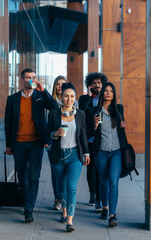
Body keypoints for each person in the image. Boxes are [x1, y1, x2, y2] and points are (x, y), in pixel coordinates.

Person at [5, 68, 57, 222]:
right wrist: (8, 145)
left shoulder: (40, 97)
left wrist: (44, 91)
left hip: (36, 143)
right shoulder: (12, 99)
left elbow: (54, 107)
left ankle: (29, 209)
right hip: (19, 143)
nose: (30, 80)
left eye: (33, 77)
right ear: (22, 79)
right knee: (22, 176)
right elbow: (8, 124)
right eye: (27, 77)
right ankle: (27, 200)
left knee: (34, 176)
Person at [46, 82, 90, 232]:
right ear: (61, 97)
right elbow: (47, 135)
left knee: (71, 187)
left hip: (74, 156)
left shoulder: (80, 114)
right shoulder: (53, 113)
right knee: (62, 188)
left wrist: (86, 153)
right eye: (66, 96)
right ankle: (64, 211)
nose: (69, 99)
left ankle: (70, 220)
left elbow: (83, 135)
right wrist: (55, 134)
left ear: (75, 98)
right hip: (58, 156)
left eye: (72, 96)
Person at [88, 82, 126, 227]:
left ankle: (112, 215)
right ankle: (105, 207)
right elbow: (90, 134)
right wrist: (95, 126)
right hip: (101, 152)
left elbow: (122, 130)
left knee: (113, 182)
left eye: (111, 91)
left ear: (114, 94)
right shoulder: (94, 111)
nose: (108, 93)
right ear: (102, 92)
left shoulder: (119, 109)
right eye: (106, 91)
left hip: (116, 151)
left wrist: (123, 126)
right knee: (103, 181)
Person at [78, 72, 108, 211]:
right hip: (90, 139)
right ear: (90, 85)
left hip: (102, 139)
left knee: (100, 169)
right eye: (94, 83)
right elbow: (82, 113)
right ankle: (93, 193)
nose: (97, 85)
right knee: (91, 169)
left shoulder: (107, 98)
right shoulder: (84, 99)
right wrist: (90, 97)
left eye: (99, 83)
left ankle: (99, 198)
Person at [49, 75, 68, 211]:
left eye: (63, 84)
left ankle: (64, 198)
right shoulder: (50, 103)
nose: (60, 86)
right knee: (55, 173)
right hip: (53, 142)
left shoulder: (73, 101)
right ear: (55, 86)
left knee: (67, 173)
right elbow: (46, 124)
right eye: (58, 84)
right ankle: (57, 199)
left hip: (68, 143)